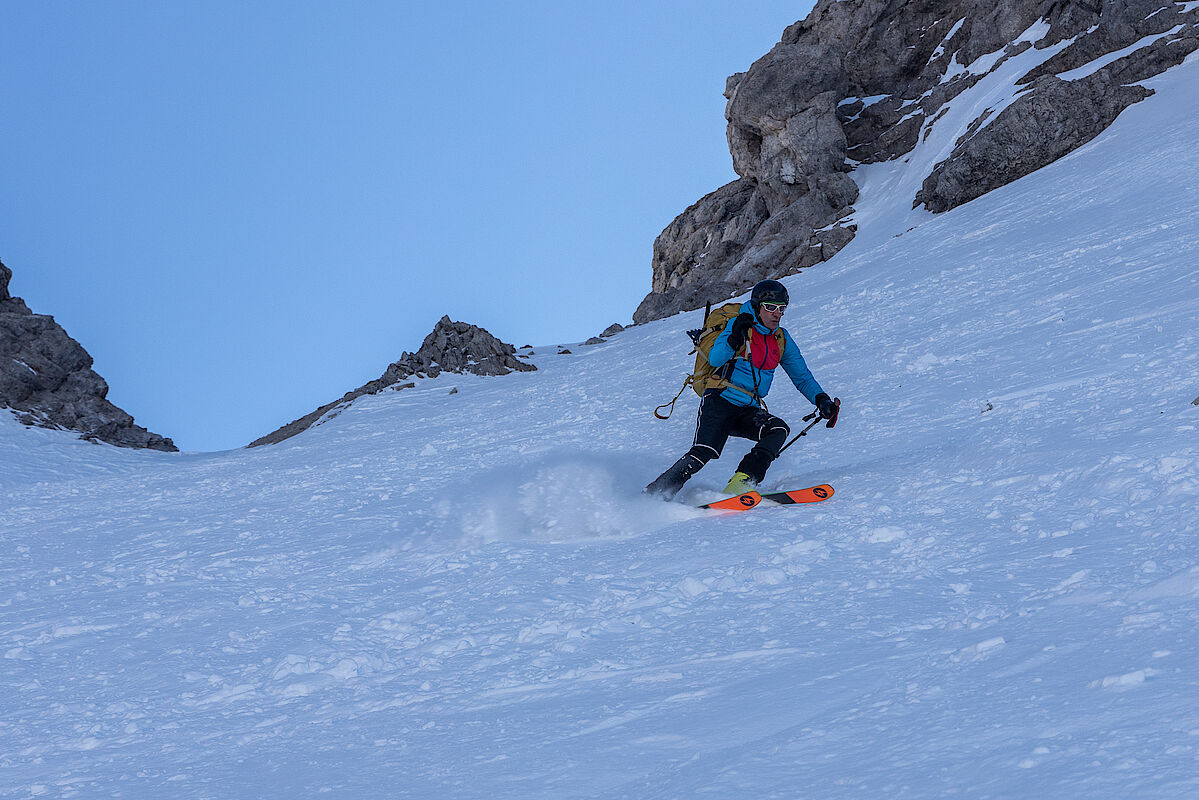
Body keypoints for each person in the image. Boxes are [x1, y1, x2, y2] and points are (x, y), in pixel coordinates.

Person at [645, 279, 839, 500]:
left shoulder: (781, 339)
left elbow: (802, 376)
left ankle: (742, 483)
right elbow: (717, 357)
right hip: (720, 398)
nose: (777, 313)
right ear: (757, 306)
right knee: (704, 451)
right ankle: (655, 494)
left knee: (777, 430)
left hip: (748, 406)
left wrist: (821, 399)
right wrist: (734, 335)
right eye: (770, 307)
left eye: (781, 308)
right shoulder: (739, 325)